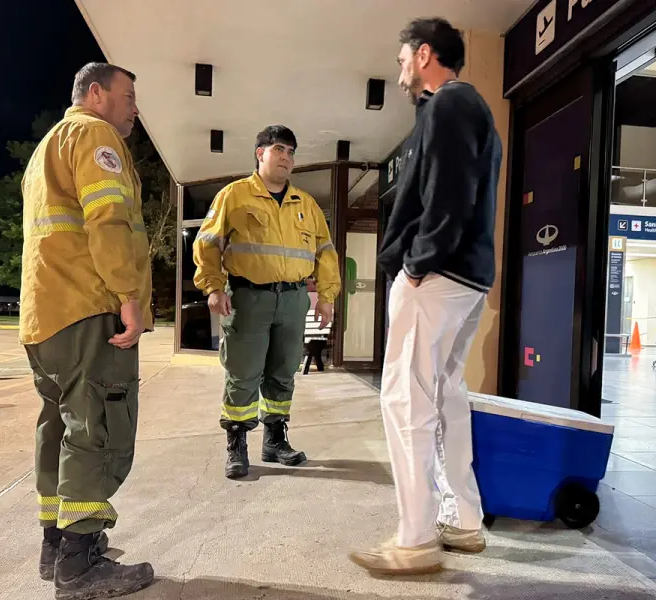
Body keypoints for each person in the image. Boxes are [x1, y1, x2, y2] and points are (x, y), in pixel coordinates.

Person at [349, 18, 502, 575]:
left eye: (401, 60)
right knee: (446, 395)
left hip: (437, 277)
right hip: (467, 278)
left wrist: (417, 263)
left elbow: (449, 194)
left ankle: (414, 538)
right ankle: (463, 520)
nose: (399, 73)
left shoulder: (449, 104)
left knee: (406, 401)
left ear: (424, 54)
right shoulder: (473, 111)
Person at [20, 62, 155, 599]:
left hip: (45, 315)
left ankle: (55, 547)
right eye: (129, 96)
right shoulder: (95, 136)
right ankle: (79, 567)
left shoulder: (46, 148)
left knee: (58, 425)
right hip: (87, 308)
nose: (135, 108)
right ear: (96, 93)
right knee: (98, 428)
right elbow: (108, 220)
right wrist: (128, 296)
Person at [193, 125, 341, 479]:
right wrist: (213, 287)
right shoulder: (234, 195)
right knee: (243, 373)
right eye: (279, 149)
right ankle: (237, 444)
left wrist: (327, 297)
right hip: (248, 298)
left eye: (291, 152)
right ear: (260, 153)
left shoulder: (306, 204)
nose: (286, 158)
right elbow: (208, 243)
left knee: (284, 371)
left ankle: (275, 440)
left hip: (293, 300)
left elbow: (325, 252)